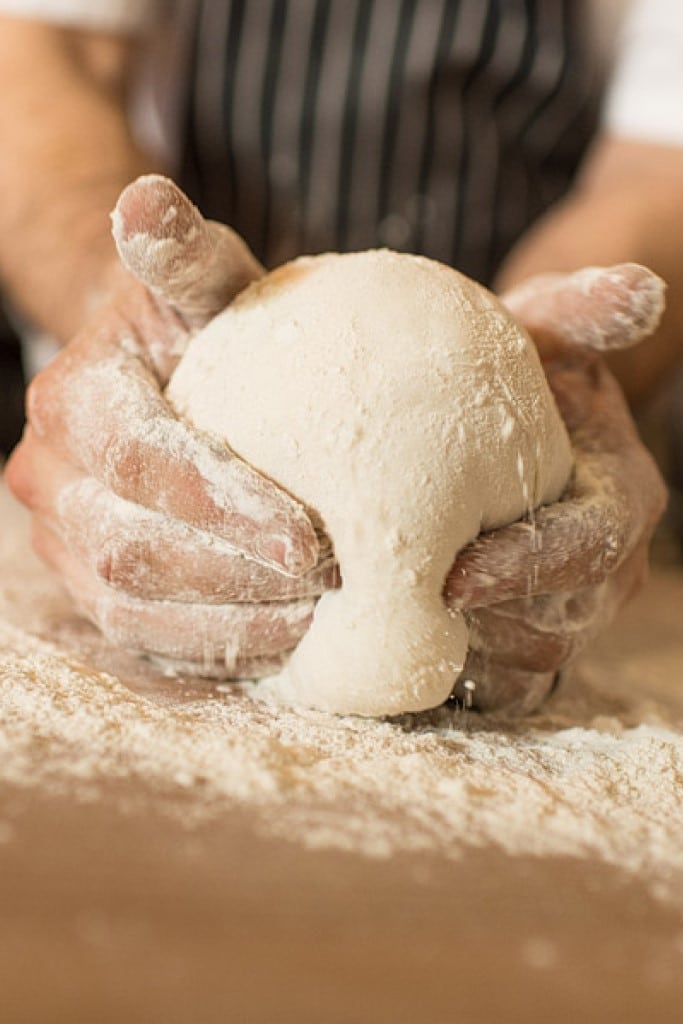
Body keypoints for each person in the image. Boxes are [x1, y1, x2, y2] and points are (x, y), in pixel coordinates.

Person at [0, 1, 678, 710]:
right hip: (206, 370)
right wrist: (122, 300)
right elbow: (44, 58)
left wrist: (546, 367)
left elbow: (661, 167)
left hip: (494, 350)